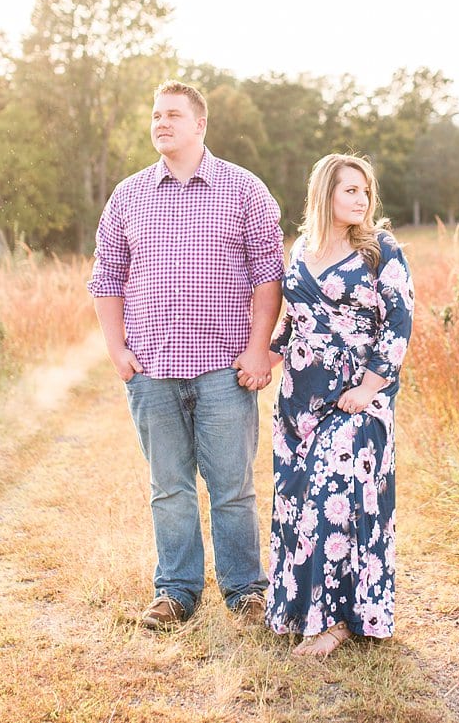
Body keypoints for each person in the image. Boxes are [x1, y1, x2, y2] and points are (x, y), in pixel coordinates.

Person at [88, 80, 284, 629]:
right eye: (155, 115)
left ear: (200, 125)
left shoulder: (243, 189)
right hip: (151, 372)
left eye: (173, 114)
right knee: (169, 487)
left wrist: (259, 349)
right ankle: (175, 592)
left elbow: (269, 276)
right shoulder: (127, 195)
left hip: (225, 369)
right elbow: (106, 277)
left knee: (233, 488)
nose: (161, 123)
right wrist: (116, 349)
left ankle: (246, 591)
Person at [265, 153, 415, 657]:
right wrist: (263, 360)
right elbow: (294, 320)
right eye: (350, 189)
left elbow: (399, 326)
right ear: (324, 192)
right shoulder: (301, 248)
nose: (361, 199)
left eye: (365, 191)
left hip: (357, 399)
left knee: (334, 499)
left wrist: (369, 388)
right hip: (298, 399)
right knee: (295, 499)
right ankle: (297, 607)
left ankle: (338, 621)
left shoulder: (381, 252)